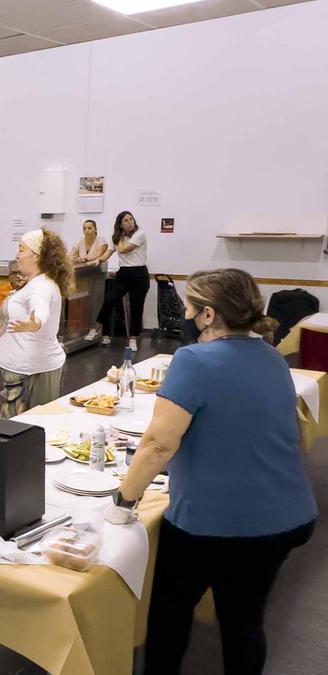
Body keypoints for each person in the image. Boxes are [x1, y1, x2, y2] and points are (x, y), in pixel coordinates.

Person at [106, 268, 316, 675]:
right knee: (244, 621)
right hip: (286, 514)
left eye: (187, 307)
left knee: (171, 614)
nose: (182, 314)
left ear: (207, 315)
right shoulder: (272, 357)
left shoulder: (194, 360)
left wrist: (123, 502)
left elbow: (158, 444)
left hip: (215, 524)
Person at [0, 229, 73, 418]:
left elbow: (40, 306)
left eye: (21, 249)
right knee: (18, 432)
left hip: (32, 371)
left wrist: (36, 322)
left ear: (36, 256)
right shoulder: (34, 282)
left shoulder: (42, 286)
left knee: (26, 430)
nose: (17, 255)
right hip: (23, 368)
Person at [89, 211, 149, 351]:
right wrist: (95, 259)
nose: (130, 222)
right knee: (109, 301)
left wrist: (119, 236)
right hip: (123, 274)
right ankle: (95, 329)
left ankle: (133, 339)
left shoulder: (139, 234)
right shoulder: (116, 237)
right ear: (120, 224)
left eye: (131, 219)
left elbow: (123, 250)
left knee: (136, 307)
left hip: (139, 274)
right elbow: (107, 255)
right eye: (126, 220)